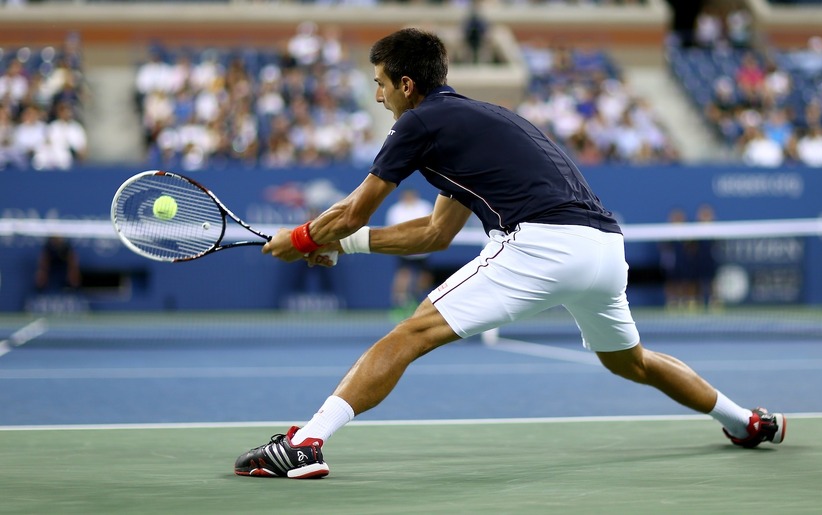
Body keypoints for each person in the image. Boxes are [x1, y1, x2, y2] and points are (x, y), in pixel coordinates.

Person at [235, 28, 785, 480]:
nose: (378, 96)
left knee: (409, 334)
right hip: (602, 250)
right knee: (631, 362)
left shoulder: (417, 123)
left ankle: (306, 444)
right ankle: (746, 422)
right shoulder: (480, 121)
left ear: (406, 85)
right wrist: (344, 244)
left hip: (542, 244)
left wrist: (304, 237)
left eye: (381, 84)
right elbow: (433, 234)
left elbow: (356, 209)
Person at [385, 189, 435, 315]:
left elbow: (431, 226)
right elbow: (392, 230)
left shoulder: (425, 207)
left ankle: (415, 299)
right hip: (405, 250)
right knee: (403, 275)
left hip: (423, 250)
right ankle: (399, 304)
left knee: (424, 277)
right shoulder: (395, 210)